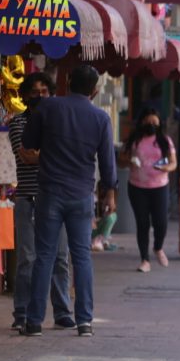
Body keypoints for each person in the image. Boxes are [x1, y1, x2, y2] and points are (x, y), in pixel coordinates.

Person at [21, 65, 117, 338]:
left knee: (45, 256)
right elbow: (108, 163)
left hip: (50, 192)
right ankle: (84, 320)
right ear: (95, 91)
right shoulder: (100, 118)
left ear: (67, 82)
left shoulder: (49, 108)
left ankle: (34, 320)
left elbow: (28, 141)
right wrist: (109, 192)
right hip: (81, 195)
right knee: (82, 257)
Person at [8, 72, 76, 331]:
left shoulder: (60, 122)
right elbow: (25, 156)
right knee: (28, 257)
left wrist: (44, 154)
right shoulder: (18, 123)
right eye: (35, 92)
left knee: (60, 257)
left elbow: (39, 155)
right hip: (28, 197)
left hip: (57, 197)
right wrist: (56, 154)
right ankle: (21, 314)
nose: (40, 96)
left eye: (45, 91)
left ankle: (62, 312)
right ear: (25, 95)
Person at [123, 108, 177, 272]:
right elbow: (122, 159)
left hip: (159, 186)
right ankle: (144, 260)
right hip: (137, 187)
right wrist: (129, 162)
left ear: (159, 124)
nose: (151, 125)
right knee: (142, 223)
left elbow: (174, 163)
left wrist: (166, 167)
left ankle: (158, 247)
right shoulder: (135, 140)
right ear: (142, 123)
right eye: (148, 122)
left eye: (154, 122)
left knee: (161, 222)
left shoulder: (165, 140)